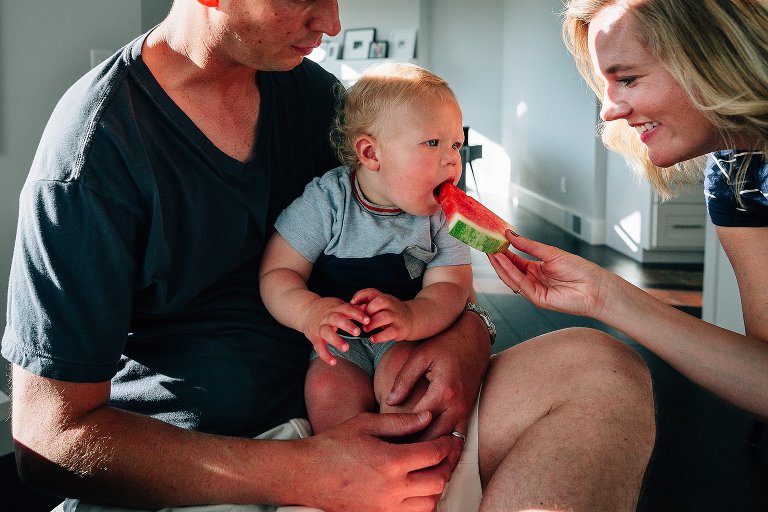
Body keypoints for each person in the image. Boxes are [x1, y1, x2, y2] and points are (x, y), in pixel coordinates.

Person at [1, 0, 655, 511]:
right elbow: (48, 438)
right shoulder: (92, 158)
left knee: (603, 369)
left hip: (377, 402)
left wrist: (468, 336)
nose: (333, 23)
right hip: (222, 464)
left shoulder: (320, 102)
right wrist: (312, 473)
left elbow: (431, 244)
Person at [490, 0, 768, 421]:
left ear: (713, 53)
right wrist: (606, 296)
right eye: (606, 85)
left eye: (629, 79)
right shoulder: (736, 174)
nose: (609, 111)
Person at [260, 62, 474, 434]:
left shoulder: (442, 214)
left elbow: (452, 287)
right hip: (339, 341)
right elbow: (277, 272)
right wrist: (309, 312)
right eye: (432, 143)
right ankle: (346, 465)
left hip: (407, 336)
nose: (452, 158)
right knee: (325, 390)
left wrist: (411, 316)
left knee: (406, 391)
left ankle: (407, 463)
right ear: (371, 154)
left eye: (456, 143)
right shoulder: (327, 201)